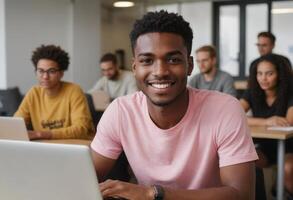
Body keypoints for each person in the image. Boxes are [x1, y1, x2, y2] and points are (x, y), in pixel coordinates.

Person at [91, 10, 258, 200]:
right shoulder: (120, 112)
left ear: (190, 65)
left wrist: (152, 193)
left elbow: (242, 195)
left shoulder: (225, 109)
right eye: (147, 60)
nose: (160, 71)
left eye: (173, 59)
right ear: (135, 67)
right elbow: (84, 179)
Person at [240, 54, 293, 199]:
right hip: (266, 147)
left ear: (279, 75)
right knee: (246, 164)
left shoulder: (290, 91)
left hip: (289, 147)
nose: (263, 78)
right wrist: (267, 121)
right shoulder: (253, 91)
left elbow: (288, 121)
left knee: (288, 170)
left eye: (269, 73)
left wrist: (252, 120)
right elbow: (235, 114)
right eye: (259, 73)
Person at [14, 44, 94, 140]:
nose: (45, 77)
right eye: (41, 71)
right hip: (47, 149)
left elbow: (81, 129)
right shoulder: (34, 93)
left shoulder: (74, 91)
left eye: (51, 71)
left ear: (61, 74)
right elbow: (15, 124)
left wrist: (40, 134)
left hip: (76, 147)